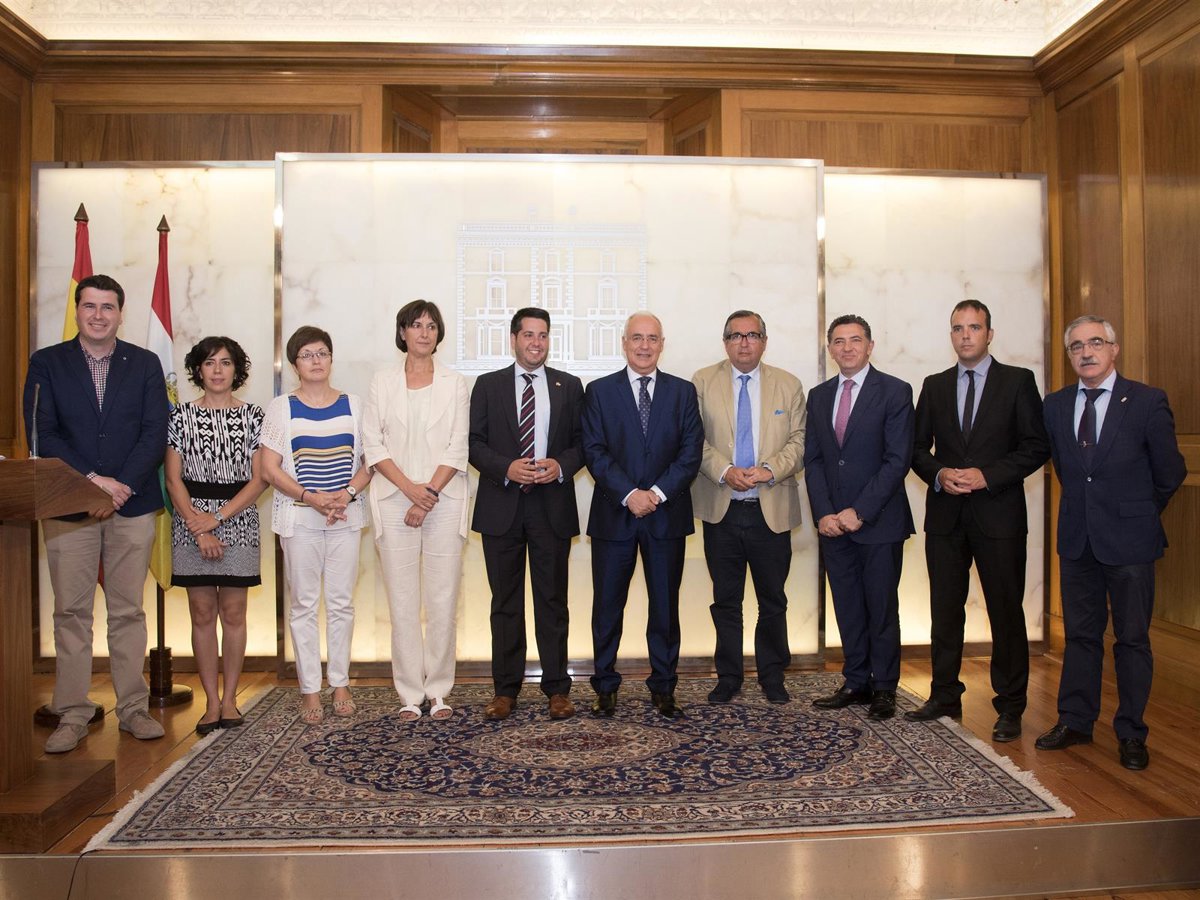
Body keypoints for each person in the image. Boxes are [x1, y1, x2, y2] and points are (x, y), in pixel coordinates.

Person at [22, 273, 168, 754]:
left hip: (132, 502)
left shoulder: (145, 363)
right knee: (71, 612)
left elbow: (155, 431)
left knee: (127, 610)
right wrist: (92, 481)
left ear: (120, 314)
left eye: (108, 307)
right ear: (77, 310)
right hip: (68, 504)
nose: (98, 315)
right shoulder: (47, 363)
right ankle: (72, 712)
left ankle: (133, 708)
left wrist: (120, 485)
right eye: (90, 306)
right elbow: (42, 431)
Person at [1035, 315, 1185, 771]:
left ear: (1113, 349)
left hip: (1131, 543)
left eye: (1096, 343)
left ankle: (1131, 732)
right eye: (1076, 346)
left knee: (1132, 639)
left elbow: (1170, 472)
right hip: (1078, 540)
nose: (1086, 352)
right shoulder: (1056, 405)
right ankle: (1075, 721)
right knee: (1080, 636)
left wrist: (1137, 511)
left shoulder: (1146, 401)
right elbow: (1067, 469)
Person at [906, 300, 1050, 743]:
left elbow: (1036, 446)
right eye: (957, 328)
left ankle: (1010, 706)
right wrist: (939, 474)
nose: (965, 335)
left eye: (974, 327)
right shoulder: (934, 385)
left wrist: (988, 475)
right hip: (946, 518)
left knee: (1006, 612)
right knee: (944, 610)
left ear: (990, 334)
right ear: (950, 335)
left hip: (999, 516)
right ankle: (944, 694)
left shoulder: (1018, 381)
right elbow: (916, 449)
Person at [582, 311, 703, 719]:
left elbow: (690, 452)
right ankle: (605, 686)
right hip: (614, 516)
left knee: (665, 608)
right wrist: (630, 494)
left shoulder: (683, 392)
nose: (644, 346)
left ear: (662, 344)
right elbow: (594, 451)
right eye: (637, 338)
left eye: (652, 338)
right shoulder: (599, 391)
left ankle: (664, 687)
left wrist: (656, 494)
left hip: (666, 516)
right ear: (624, 343)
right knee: (607, 608)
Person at [469, 308, 585, 721]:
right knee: (505, 603)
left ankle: (557, 689)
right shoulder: (488, 385)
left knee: (552, 601)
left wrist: (560, 465)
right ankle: (505, 691)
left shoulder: (569, 385)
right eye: (529, 335)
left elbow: (582, 444)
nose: (536, 342)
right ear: (514, 339)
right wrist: (506, 468)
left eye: (543, 335)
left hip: (550, 506)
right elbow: (474, 443)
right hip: (502, 505)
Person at [692, 310, 806, 705]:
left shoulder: (788, 384)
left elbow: (799, 440)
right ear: (725, 342)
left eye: (752, 335)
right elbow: (694, 440)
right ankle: (728, 676)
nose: (744, 342)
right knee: (726, 600)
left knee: (772, 599)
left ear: (764, 341)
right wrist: (725, 470)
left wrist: (769, 469)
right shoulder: (702, 382)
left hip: (769, 508)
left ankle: (772, 675)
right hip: (721, 508)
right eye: (736, 336)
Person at [804, 314, 914, 720]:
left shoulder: (895, 391)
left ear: (870, 346)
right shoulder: (819, 396)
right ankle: (855, 681)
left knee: (880, 607)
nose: (847, 347)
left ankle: (884, 686)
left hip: (879, 522)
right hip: (833, 525)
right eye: (839, 341)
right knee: (847, 605)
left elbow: (897, 460)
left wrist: (860, 511)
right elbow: (814, 460)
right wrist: (824, 513)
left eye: (855, 340)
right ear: (830, 349)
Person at [364, 300, 470, 722]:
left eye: (431, 326)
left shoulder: (455, 383)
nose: (424, 333)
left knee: (443, 600)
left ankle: (439, 690)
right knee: (403, 602)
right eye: (416, 325)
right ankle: (409, 693)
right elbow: (374, 445)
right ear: (402, 332)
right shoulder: (382, 381)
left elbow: (458, 446)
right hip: (394, 499)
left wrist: (428, 495)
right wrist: (411, 491)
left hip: (444, 499)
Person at [261, 326, 371, 726]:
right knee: (304, 605)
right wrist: (310, 497)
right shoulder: (281, 408)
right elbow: (269, 468)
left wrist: (346, 494)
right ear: (295, 364)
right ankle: (309, 688)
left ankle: (340, 683)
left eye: (322, 352)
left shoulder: (354, 405)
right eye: (307, 355)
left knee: (341, 603)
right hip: (300, 517)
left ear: (331, 358)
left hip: (344, 516)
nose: (316, 360)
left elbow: (370, 462)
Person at [164, 336, 267, 735]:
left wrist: (218, 518)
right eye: (210, 363)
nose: (218, 370)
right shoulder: (180, 416)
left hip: (238, 520)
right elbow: (173, 479)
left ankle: (230, 701)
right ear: (198, 370)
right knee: (202, 613)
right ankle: (210, 702)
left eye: (226, 362)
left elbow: (260, 479)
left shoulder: (254, 416)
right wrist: (198, 524)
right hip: (190, 520)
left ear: (237, 370)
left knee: (235, 613)